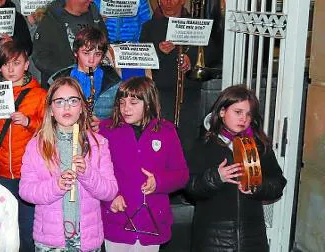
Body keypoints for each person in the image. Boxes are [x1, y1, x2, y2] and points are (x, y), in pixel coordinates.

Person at [19, 77, 118, 251]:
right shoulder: (36, 145)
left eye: (73, 101)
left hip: (87, 239)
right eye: (59, 102)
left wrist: (88, 173)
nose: (66, 107)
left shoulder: (98, 143)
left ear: (81, 108)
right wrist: (55, 186)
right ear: (50, 109)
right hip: (49, 241)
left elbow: (110, 192)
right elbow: (26, 191)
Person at [185, 85, 287, 251]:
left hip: (252, 236)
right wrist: (216, 177)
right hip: (214, 238)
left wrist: (258, 187)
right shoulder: (203, 145)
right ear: (222, 112)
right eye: (238, 112)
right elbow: (189, 188)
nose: (244, 119)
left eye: (248, 114)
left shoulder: (259, 145)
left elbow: (278, 183)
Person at [99, 76, 188, 251]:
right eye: (122, 102)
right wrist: (111, 197)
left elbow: (182, 175)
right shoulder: (106, 130)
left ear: (148, 103)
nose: (126, 108)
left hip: (152, 223)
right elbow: (97, 173)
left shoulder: (166, 131)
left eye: (133, 102)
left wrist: (159, 182)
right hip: (117, 219)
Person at [0, 41, 46, 251]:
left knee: (27, 231)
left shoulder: (40, 95)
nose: (11, 69)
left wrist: (29, 123)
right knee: (4, 231)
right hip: (1, 172)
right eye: (6, 64)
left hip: (28, 174)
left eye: (16, 63)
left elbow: (49, 131)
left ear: (26, 65)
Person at [139, 0, 200, 154]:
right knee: (161, 139)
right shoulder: (149, 27)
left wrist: (191, 59)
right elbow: (143, 59)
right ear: (158, 0)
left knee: (187, 141)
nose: (168, 1)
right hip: (160, 93)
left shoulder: (195, 24)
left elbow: (209, 53)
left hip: (189, 91)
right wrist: (158, 51)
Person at [33, 0, 107, 87]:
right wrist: (68, 74)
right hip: (60, 85)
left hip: (92, 83)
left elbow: (104, 44)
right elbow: (40, 57)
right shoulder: (51, 20)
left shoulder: (94, 15)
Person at [49, 27, 121, 120]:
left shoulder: (113, 80)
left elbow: (120, 116)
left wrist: (103, 125)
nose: (91, 60)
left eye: (97, 54)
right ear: (75, 52)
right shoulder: (58, 79)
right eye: (86, 53)